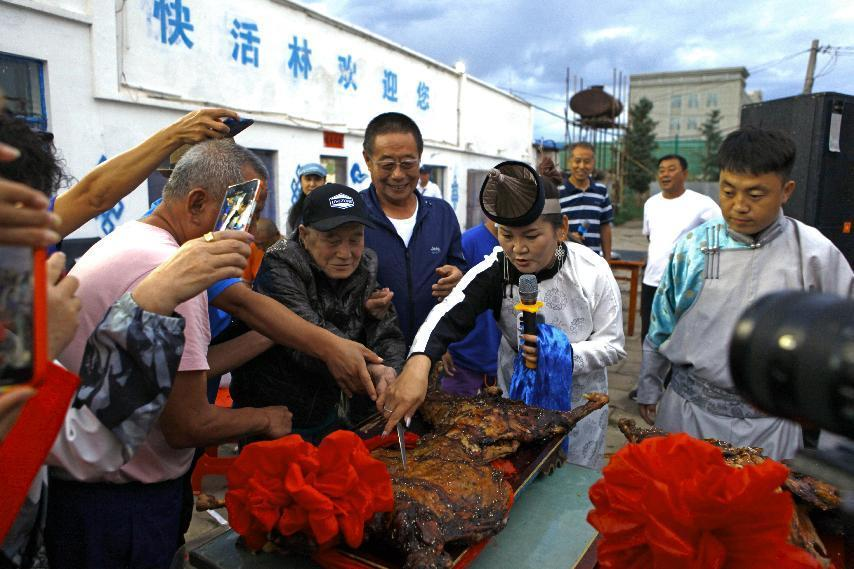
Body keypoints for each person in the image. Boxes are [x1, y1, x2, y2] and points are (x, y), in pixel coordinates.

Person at [50, 140, 293, 569]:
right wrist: (267, 418)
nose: (251, 230)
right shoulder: (173, 269)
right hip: (121, 506)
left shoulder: (135, 237)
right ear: (198, 202)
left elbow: (170, 372)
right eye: (243, 212)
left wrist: (265, 338)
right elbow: (186, 424)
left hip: (84, 492)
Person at [379, 162, 626, 468]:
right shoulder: (496, 269)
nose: (518, 249)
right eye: (506, 235)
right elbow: (448, 312)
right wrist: (418, 362)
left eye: (532, 236)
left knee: (572, 485)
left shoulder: (592, 271)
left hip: (582, 402)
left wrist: (561, 354)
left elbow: (613, 345)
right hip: (517, 401)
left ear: (561, 228)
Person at [636, 128, 854, 460]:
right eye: (728, 191)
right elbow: (661, 324)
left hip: (771, 426)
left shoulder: (814, 254)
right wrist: (649, 387)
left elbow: (844, 346)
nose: (739, 206)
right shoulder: (693, 247)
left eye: (755, 194)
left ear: (786, 191)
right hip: (689, 415)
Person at [232, 184, 406, 442]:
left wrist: (389, 372)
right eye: (332, 240)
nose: (345, 253)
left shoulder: (366, 263)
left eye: (355, 239)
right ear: (304, 234)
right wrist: (370, 367)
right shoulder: (280, 260)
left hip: (335, 414)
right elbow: (309, 330)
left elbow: (387, 330)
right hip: (276, 413)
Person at [360, 112, 465, 346]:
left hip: (430, 354)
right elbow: (323, 292)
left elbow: (459, 267)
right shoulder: (352, 216)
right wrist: (361, 306)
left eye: (408, 164)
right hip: (372, 359)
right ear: (368, 160)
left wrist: (458, 279)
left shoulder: (442, 214)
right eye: (387, 165)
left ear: (420, 159)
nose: (398, 175)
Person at [628, 155, 719, 401]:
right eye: (661, 170)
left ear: (685, 174)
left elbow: (716, 239)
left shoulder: (703, 204)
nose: (665, 174)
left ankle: (673, 387)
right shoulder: (651, 203)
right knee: (650, 334)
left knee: (681, 336)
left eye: (672, 169)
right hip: (653, 280)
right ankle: (649, 384)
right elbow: (650, 237)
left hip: (685, 286)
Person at [440, 218, 501, 396]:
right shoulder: (468, 242)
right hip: (463, 360)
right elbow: (442, 294)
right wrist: (441, 345)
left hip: (504, 360)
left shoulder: (519, 245)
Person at [559, 142, 614, 260]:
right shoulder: (558, 192)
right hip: (565, 261)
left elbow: (605, 227)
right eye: (577, 161)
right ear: (570, 162)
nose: (582, 166)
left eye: (587, 161)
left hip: (593, 261)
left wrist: (607, 260)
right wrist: (566, 236)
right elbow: (550, 228)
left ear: (593, 163)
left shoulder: (601, 191)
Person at [286, 162, 327, 234]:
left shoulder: (333, 207)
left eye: (317, 179)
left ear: (324, 181)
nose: (312, 184)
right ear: (301, 182)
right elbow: (290, 240)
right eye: (308, 179)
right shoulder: (294, 211)